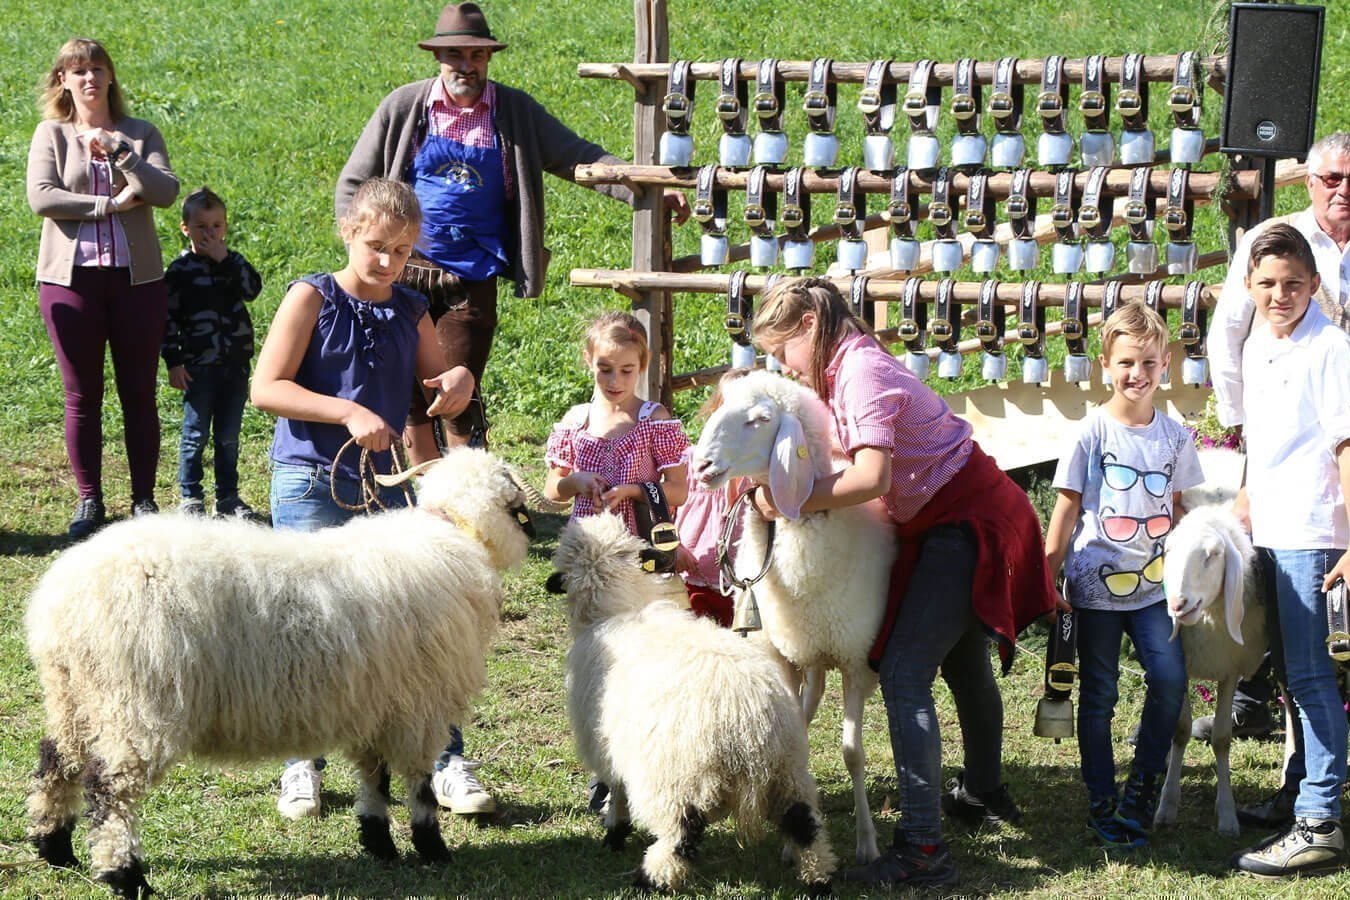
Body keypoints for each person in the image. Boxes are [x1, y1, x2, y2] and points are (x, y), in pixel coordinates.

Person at [740, 277, 1056, 886]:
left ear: (809, 325)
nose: (782, 366)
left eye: (783, 351)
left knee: (907, 672)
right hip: (956, 512)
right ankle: (982, 792)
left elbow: (874, 477)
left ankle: (922, 850)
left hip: (969, 518)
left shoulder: (860, 372)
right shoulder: (844, 368)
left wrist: (792, 500)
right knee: (963, 662)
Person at [251, 178, 483, 821]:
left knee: (407, 623)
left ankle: (443, 759)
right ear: (349, 232)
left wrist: (458, 379)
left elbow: (437, 380)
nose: (387, 261)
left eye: (403, 251)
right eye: (376, 245)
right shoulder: (311, 296)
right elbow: (266, 387)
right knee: (305, 623)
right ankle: (302, 762)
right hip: (309, 476)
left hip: (383, 484)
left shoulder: (411, 308)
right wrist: (348, 410)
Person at [336, 2, 664, 458]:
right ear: (438, 58)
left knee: (457, 390)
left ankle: (473, 495)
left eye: (477, 57)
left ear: (489, 58)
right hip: (404, 269)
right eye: (456, 57)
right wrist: (361, 247)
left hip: (470, 276)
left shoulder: (513, 111)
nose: (466, 67)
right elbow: (355, 182)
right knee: (408, 391)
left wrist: (645, 189)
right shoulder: (406, 107)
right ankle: (432, 505)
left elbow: (576, 156)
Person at [1203, 131, 1350, 755]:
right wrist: (1241, 429)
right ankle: (1300, 781)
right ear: (1308, 181)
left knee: (1315, 659)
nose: (1344, 189)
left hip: (1328, 475)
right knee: (1293, 651)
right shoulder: (1269, 256)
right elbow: (1228, 334)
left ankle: (1318, 799)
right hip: (1276, 472)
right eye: (1331, 178)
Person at [1226, 224, 1350, 879]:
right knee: (1289, 675)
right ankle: (1299, 790)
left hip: (1316, 535)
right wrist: (1247, 495)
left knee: (1314, 682)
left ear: (1314, 284)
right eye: (1266, 285)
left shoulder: (1331, 348)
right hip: (1271, 530)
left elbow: (1349, 448)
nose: (1279, 295)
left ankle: (1319, 824)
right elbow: (1262, 437)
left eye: (1292, 283)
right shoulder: (1259, 344)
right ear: (1249, 288)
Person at [1044, 301, 1203, 849]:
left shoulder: (1176, 436)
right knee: (1100, 695)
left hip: (1156, 588)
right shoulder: (1090, 433)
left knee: (1170, 680)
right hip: (1094, 588)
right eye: (1127, 362)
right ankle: (1101, 802)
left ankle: (1141, 788)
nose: (1138, 374)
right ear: (1105, 365)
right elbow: (1065, 508)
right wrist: (1048, 574)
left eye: (1150, 363)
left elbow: (1180, 508)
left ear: (1166, 367)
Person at [27, 37, 180, 541]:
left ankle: (143, 499)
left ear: (110, 77)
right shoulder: (51, 133)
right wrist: (107, 207)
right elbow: (42, 197)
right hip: (71, 283)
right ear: (63, 82)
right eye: (78, 71)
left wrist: (123, 154)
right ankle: (89, 499)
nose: (89, 78)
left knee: (139, 393)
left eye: (97, 68)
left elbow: (164, 191)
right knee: (81, 395)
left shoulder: (139, 133)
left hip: (138, 283)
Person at [544, 311, 731, 624]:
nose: (615, 380)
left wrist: (632, 491)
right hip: (589, 551)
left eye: (626, 370)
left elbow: (679, 491)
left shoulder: (653, 420)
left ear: (642, 366)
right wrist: (576, 481)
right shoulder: (576, 421)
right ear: (588, 359)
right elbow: (553, 489)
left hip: (641, 546)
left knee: (639, 625)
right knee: (591, 626)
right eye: (605, 369)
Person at [163, 186, 264, 520]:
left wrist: (225, 260)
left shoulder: (233, 263)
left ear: (226, 226)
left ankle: (228, 498)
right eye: (202, 226)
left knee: (228, 436)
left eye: (217, 226)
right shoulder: (179, 272)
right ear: (185, 229)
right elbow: (166, 319)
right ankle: (191, 496)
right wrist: (174, 361)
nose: (210, 233)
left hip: (234, 364)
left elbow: (252, 289)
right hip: (198, 367)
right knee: (194, 434)